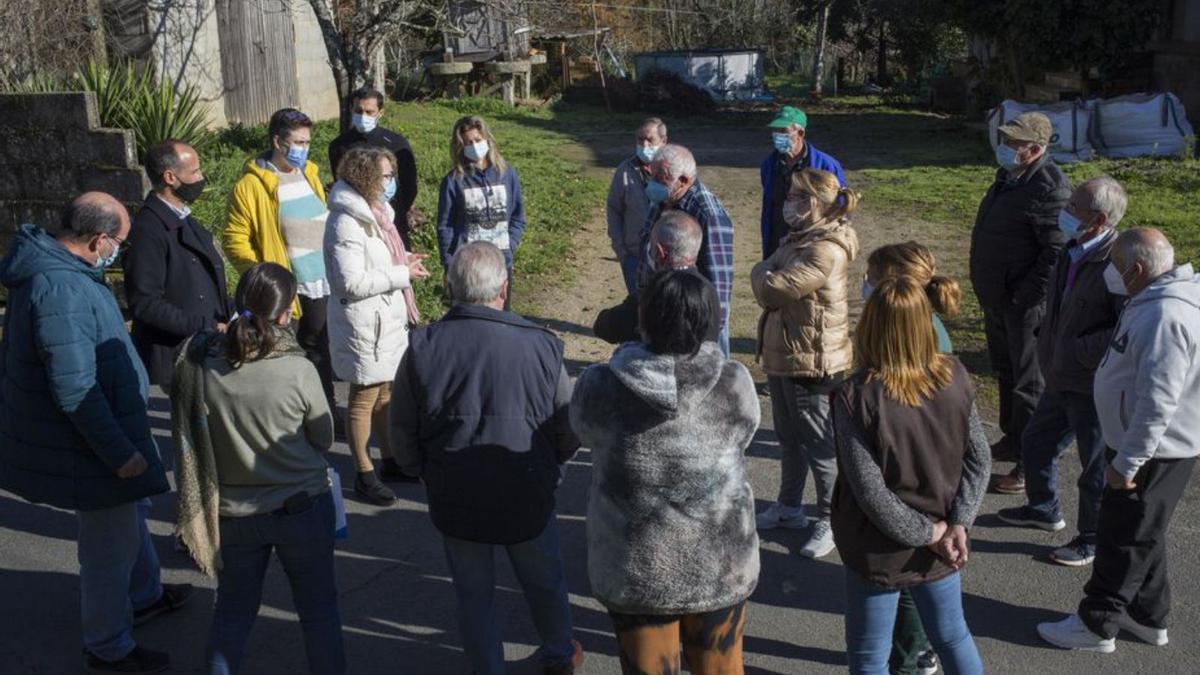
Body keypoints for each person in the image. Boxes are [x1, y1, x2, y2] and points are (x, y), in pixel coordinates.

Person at [0, 194, 190, 675]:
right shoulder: (61, 289)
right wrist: (119, 453)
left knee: (131, 516)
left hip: (108, 435)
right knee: (109, 548)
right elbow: (75, 388)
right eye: (119, 244)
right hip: (96, 447)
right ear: (98, 239)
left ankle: (145, 596)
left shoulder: (65, 272)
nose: (120, 253)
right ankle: (108, 645)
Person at [390, 242, 583, 675]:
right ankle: (558, 655)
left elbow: (401, 429)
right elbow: (567, 428)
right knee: (545, 583)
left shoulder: (422, 347)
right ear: (504, 288)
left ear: (449, 287)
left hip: (455, 491)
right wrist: (554, 470)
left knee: (473, 596)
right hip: (528, 487)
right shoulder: (544, 347)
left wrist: (422, 473)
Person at [572, 269, 760, 675]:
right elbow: (746, 435)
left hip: (635, 570)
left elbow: (582, 431)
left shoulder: (599, 385)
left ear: (644, 319)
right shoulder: (735, 384)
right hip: (720, 564)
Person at [171, 263, 345, 674]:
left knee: (232, 614)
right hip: (300, 505)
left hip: (233, 513)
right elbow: (322, 437)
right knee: (319, 614)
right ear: (285, 314)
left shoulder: (200, 366)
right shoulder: (298, 369)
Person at [1038, 228, 1200, 653]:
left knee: (1121, 539)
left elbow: (1157, 403)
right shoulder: (1155, 300)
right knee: (1144, 533)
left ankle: (1096, 626)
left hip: (1149, 451)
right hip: (1146, 446)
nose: (1109, 273)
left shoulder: (1165, 316)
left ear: (1139, 269)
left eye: (1114, 266)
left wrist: (1127, 464)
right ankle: (1149, 616)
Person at [833, 276, 990, 675]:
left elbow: (870, 493)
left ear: (870, 327)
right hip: (942, 541)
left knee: (870, 656)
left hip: (880, 547)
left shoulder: (856, 397)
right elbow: (980, 459)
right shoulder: (954, 374)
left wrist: (933, 533)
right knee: (953, 638)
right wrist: (958, 524)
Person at [997, 177, 1128, 567]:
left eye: (1075, 208)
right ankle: (1043, 509)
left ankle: (1091, 539)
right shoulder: (1072, 248)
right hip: (1059, 375)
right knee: (1036, 442)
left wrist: (1073, 350)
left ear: (1099, 219)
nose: (1065, 212)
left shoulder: (1117, 263)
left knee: (1095, 468)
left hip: (1091, 385)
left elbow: (1123, 330)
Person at [863, 241, 963, 675]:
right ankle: (916, 651)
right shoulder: (930, 334)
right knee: (941, 614)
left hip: (911, 504)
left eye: (871, 277)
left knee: (906, 591)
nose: (864, 285)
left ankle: (910, 657)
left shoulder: (922, 348)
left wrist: (930, 528)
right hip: (933, 498)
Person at [750, 168, 859, 559]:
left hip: (814, 362)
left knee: (821, 445)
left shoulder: (826, 248)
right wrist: (766, 270)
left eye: (799, 198)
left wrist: (762, 271)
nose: (789, 204)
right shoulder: (798, 239)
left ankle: (830, 518)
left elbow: (772, 288)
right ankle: (789, 506)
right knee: (788, 437)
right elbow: (769, 272)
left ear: (820, 204)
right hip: (785, 354)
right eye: (790, 196)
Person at [968, 111, 1071, 493]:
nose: (1005, 147)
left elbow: (1056, 253)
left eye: (1014, 143)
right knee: (1006, 371)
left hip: (1024, 305)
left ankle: (1030, 465)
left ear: (1036, 148)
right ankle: (1013, 439)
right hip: (998, 298)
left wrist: (1023, 296)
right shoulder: (1009, 178)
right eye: (1006, 140)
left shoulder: (1050, 187)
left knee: (1030, 384)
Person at [325, 145, 430, 505]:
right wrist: (401, 273)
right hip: (364, 325)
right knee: (364, 397)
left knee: (386, 393)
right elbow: (349, 282)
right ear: (366, 176)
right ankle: (364, 472)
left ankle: (390, 460)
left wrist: (404, 261)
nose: (391, 183)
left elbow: (379, 261)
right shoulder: (346, 221)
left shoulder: (378, 213)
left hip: (384, 320)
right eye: (385, 176)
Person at [223, 108, 338, 426]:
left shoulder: (309, 173)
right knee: (284, 354)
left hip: (320, 280)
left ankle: (323, 410)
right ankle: (285, 418)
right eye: (298, 142)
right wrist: (262, 276)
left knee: (320, 351)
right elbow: (235, 238)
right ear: (277, 141)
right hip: (286, 289)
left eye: (307, 141)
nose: (304, 148)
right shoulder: (251, 185)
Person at [125, 139, 233, 391]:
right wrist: (204, 325)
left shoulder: (183, 218)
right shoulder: (148, 230)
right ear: (170, 177)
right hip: (180, 354)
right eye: (194, 172)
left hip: (204, 347)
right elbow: (145, 303)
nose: (201, 177)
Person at [640, 144, 734, 355]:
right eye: (652, 175)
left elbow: (719, 284)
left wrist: (708, 340)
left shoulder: (708, 215)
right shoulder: (665, 197)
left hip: (695, 323)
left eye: (659, 177)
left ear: (683, 181)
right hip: (664, 309)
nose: (652, 183)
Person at [436, 115, 526, 310]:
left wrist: (510, 245)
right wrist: (448, 263)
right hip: (467, 265)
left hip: (500, 263)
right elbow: (445, 226)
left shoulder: (507, 174)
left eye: (477, 140)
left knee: (501, 319)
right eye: (468, 143)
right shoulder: (453, 181)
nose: (474, 146)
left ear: (487, 140)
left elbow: (518, 217)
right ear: (460, 147)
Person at [592, 210, 720, 345]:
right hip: (704, 365)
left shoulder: (655, 293)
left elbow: (604, 327)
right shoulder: (710, 290)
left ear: (660, 253)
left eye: (650, 245)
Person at [328, 87, 420, 249]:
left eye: (369, 112)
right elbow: (340, 184)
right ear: (352, 110)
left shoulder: (396, 144)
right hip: (356, 224)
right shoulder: (339, 146)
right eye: (358, 110)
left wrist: (393, 210)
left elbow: (409, 186)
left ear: (380, 113)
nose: (363, 116)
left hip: (393, 222)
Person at [761, 105, 846, 259]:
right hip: (777, 242)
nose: (777, 136)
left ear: (800, 133)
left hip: (812, 243)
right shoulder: (769, 165)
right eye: (775, 131)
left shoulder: (827, 165)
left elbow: (841, 206)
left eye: (783, 131)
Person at [864, 242, 960, 355]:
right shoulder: (920, 319)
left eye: (870, 278)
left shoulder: (898, 335)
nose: (865, 281)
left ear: (893, 287)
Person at [607, 117, 666, 296]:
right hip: (634, 256)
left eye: (650, 140)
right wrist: (621, 251)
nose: (644, 144)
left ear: (664, 142)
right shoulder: (624, 171)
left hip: (668, 258)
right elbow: (614, 210)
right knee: (638, 308)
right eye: (640, 139)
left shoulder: (675, 170)